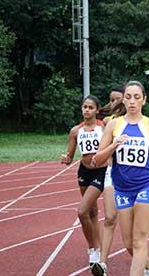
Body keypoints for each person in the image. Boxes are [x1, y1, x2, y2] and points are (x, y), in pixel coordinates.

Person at [92, 81, 149, 276]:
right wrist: (114, 146)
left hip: (147, 185)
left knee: (139, 240)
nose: (132, 102)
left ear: (144, 100)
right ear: (123, 99)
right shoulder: (113, 125)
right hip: (122, 189)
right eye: (128, 97)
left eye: (137, 97)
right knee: (129, 243)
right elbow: (97, 159)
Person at [61, 96, 105, 266]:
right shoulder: (75, 131)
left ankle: (93, 249)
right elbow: (70, 157)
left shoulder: (104, 127)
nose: (87, 110)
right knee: (92, 212)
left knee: (82, 211)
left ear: (97, 110)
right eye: (84, 107)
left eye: (90, 107)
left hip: (101, 171)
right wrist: (65, 158)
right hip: (84, 172)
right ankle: (98, 247)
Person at [92, 94, 126, 276]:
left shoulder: (144, 124)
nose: (113, 103)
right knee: (110, 218)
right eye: (112, 100)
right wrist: (113, 145)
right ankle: (102, 263)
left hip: (133, 179)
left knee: (133, 229)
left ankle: (146, 263)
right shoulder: (109, 123)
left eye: (117, 100)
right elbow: (100, 155)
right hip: (112, 174)